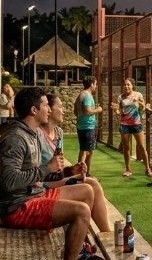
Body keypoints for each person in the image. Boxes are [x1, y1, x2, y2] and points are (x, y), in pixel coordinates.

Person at [0, 87, 105, 260]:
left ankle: (78, 250)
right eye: (46, 105)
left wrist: (66, 172)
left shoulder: (31, 133)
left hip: (34, 194)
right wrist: (48, 168)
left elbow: (39, 175)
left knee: (86, 189)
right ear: (34, 110)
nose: (49, 109)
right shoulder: (15, 138)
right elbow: (9, 183)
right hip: (19, 207)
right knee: (81, 211)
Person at [42, 93, 111, 233]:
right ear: (49, 110)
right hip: (45, 185)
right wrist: (65, 175)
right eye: (60, 107)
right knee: (87, 189)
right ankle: (82, 237)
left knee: (94, 184)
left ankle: (106, 233)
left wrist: (72, 170)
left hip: (56, 179)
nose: (64, 110)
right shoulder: (38, 135)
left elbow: (59, 166)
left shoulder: (58, 132)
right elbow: (39, 173)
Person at [110, 78, 152, 178]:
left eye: (128, 85)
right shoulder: (121, 97)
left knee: (142, 146)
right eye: (125, 85)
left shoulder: (138, 95)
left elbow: (143, 108)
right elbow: (119, 112)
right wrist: (115, 110)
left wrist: (139, 101)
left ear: (132, 85)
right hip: (124, 125)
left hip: (136, 124)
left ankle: (148, 169)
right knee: (126, 148)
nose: (126, 86)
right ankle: (128, 169)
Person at [73, 76, 103, 174]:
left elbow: (75, 110)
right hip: (87, 127)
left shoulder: (80, 95)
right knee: (87, 151)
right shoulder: (87, 96)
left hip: (82, 126)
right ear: (91, 84)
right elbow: (87, 111)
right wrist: (98, 110)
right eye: (95, 84)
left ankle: (82, 173)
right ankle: (83, 174)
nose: (96, 86)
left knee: (85, 151)